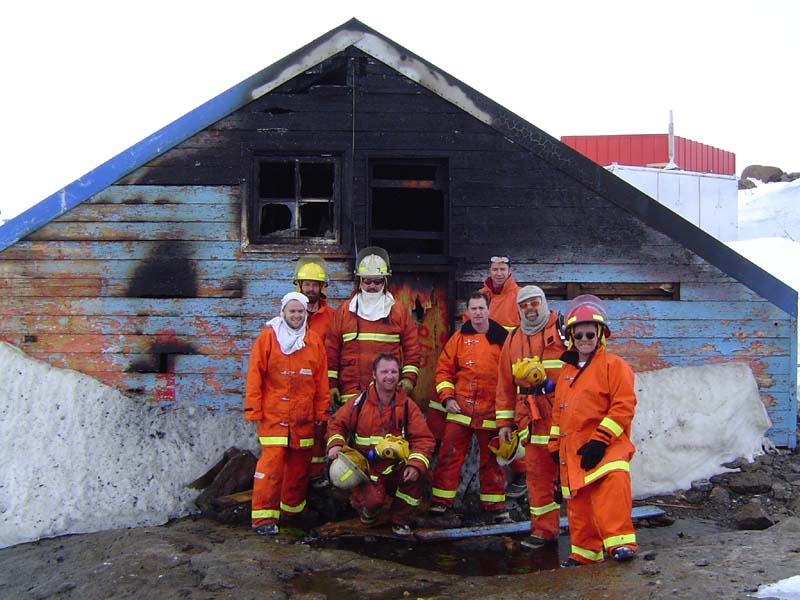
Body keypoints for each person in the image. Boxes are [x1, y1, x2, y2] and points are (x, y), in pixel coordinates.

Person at [547, 295, 638, 566]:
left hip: (607, 447)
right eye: (578, 334)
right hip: (575, 450)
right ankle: (585, 553)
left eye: (589, 334)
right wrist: (555, 447)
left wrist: (600, 441)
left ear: (600, 335)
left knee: (613, 488)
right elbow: (559, 413)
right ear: (571, 338)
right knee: (579, 502)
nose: (584, 339)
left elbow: (623, 406)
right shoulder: (566, 372)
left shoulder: (614, 366)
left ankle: (621, 544)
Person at [243, 292, 329, 536]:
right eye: (292, 311)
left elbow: (321, 381)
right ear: (283, 312)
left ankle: (292, 512)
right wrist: (253, 409)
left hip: (303, 418)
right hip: (274, 417)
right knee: (271, 468)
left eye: (300, 311)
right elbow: (255, 375)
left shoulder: (313, 341)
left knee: (299, 469)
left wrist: (321, 413)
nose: (296, 315)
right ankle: (263, 519)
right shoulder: (268, 337)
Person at [325, 353, 435, 536]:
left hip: (396, 467)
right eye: (384, 372)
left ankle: (400, 520)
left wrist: (415, 465)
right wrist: (336, 444)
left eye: (393, 372)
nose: (389, 376)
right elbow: (336, 424)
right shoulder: (359, 403)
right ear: (374, 375)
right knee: (372, 500)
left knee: (419, 478)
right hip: (367, 469)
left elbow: (423, 439)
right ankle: (369, 511)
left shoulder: (407, 406)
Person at [428, 292, 511, 522]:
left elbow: (512, 375)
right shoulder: (458, 338)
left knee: (492, 460)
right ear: (467, 312)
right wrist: (447, 398)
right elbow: (443, 371)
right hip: (461, 410)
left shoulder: (503, 338)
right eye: (473, 309)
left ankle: (494, 506)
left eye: (481, 308)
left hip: (492, 411)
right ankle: (441, 502)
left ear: (488, 310)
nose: (477, 313)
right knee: (449, 455)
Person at [496, 285, 567, 548]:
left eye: (534, 303)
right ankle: (543, 531)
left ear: (543, 302)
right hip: (532, 421)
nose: (530, 309)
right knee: (537, 477)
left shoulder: (562, 329)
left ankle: (592, 535)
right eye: (524, 305)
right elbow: (504, 384)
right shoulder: (513, 338)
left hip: (563, 416)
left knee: (574, 477)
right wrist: (504, 423)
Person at [326, 247, 420, 408]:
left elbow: (412, 348)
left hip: (387, 394)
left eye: (377, 282)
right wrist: (331, 384)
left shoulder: (397, 312)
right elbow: (331, 350)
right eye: (367, 281)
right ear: (359, 281)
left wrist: (409, 378)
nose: (372, 286)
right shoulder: (345, 311)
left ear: (385, 281)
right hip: (351, 395)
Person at [293, 255, 336, 487]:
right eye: (307, 284)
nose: (310, 289)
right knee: (297, 431)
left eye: (315, 284)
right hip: (295, 384)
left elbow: (337, 350)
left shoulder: (332, 317)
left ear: (322, 287)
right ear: (299, 285)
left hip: (321, 384)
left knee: (320, 429)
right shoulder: (289, 314)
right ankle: (297, 477)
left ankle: (317, 476)